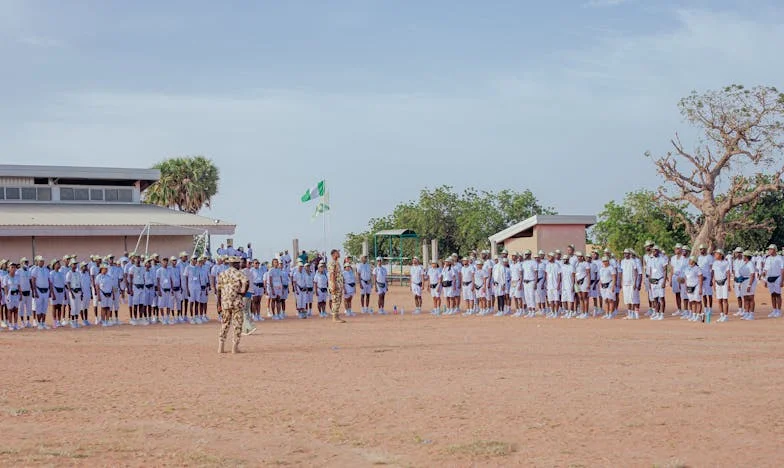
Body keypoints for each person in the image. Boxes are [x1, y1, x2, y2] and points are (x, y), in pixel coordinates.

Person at [217, 256, 249, 354]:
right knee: (237, 324)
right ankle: (234, 347)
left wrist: (218, 303)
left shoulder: (222, 274)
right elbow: (247, 282)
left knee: (225, 323)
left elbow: (218, 290)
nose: (240, 265)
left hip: (225, 302)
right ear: (235, 264)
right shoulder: (239, 274)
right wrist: (243, 292)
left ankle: (221, 347)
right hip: (236, 302)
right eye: (238, 263)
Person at [646, 246, 667, 321]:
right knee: (655, 298)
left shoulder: (662, 259)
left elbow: (665, 271)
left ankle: (662, 314)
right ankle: (657, 313)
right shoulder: (651, 260)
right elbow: (650, 271)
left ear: (658, 251)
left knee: (661, 298)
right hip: (653, 281)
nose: (653, 252)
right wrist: (649, 281)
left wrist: (664, 281)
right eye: (652, 251)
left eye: (655, 251)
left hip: (660, 279)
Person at [763, 244, 783, 318]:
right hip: (770, 278)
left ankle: (779, 311)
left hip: (777, 277)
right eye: (769, 249)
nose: (769, 251)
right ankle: (774, 310)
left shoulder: (779, 258)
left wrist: (782, 280)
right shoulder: (768, 259)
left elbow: (782, 269)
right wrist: (765, 279)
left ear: (774, 250)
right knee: (772, 294)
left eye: (771, 249)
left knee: (778, 294)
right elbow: (765, 269)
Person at [711, 249, 731, 322]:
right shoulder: (714, 263)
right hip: (717, 282)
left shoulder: (726, 263)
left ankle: (726, 316)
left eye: (716, 254)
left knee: (725, 299)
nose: (715, 255)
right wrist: (713, 283)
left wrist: (729, 284)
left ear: (721, 255)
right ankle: (721, 315)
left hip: (724, 282)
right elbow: (713, 273)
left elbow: (728, 273)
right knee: (719, 300)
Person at [682, 256, 703, 322]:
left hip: (696, 286)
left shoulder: (697, 268)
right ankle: (694, 315)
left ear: (694, 261)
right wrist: (685, 286)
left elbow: (700, 278)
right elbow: (685, 278)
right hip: (689, 287)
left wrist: (700, 288)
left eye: (690, 260)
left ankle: (698, 315)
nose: (689, 261)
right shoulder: (686, 268)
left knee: (698, 301)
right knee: (692, 301)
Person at [620, 249, 640, 320]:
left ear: (629, 254)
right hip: (625, 283)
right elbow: (622, 272)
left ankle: (633, 314)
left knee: (632, 299)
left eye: (627, 253)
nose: (625, 254)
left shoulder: (633, 261)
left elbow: (636, 272)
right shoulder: (622, 261)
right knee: (627, 299)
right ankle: (629, 314)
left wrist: (635, 283)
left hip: (631, 283)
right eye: (624, 253)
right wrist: (621, 282)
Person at [328, 249, 346, 323]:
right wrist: (333, 284)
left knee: (338, 301)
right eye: (337, 253)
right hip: (335, 284)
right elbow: (332, 274)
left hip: (338, 284)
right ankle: (334, 317)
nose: (339, 254)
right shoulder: (332, 263)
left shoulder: (337, 263)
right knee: (335, 300)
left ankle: (337, 316)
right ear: (333, 254)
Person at [696, 244, 714, 317]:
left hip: (708, 278)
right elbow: (698, 268)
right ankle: (706, 308)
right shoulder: (699, 258)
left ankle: (710, 308)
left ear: (706, 249)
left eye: (703, 249)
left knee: (709, 294)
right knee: (703, 294)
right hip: (701, 278)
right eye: (700, 249)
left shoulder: (709, 257)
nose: (701, 250)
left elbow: (711, 269)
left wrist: (711, 279)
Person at [670, 245, 688, 317]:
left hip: (682, 277)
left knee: (684, 294)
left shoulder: (684, 258)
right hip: (675, 277)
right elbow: (672, 269)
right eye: (675, 248)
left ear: (681, 249)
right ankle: (679, 309)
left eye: (678, 248)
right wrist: (671, 279)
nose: (676, 250)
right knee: (677, 294)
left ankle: (686, 310)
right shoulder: (673, 258)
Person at [2, 261, 21, 331]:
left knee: (16, 309)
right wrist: (6, 296)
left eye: (14, 267)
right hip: (10, 295)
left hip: (16, 294)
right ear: (9, 268)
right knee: (10, 310)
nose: (13, 268)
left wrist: (21, 294)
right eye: (12, 267)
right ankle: (10, 325)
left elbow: (19, 286)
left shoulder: (17, 277)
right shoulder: (6, 277)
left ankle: (15, 324)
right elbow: (5, 287)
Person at [739, 251, 757, 320]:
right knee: (745, 298)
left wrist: (749, 285)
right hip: (744, 281)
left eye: (744, 256)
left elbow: (752, 275)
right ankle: (746, 313)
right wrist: (740, 283)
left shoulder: (750, 264)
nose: (743, 257)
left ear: (746, 256)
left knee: (750, 298)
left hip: (750, 281)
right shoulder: (744, 264)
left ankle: (751, 314)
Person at [544, 252, 560, 318]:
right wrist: (547, 284)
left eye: (549, 256)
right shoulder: (547, 265)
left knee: (556, 300)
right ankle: (552, 312)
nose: (548, 258)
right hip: (549, 285)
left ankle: (556, 313)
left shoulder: (557, 265)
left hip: (555, 285)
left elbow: (559, 275)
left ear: (553, 257)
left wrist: (558, 284)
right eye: (548, 256)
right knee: (551, 300)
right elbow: (546, 275)